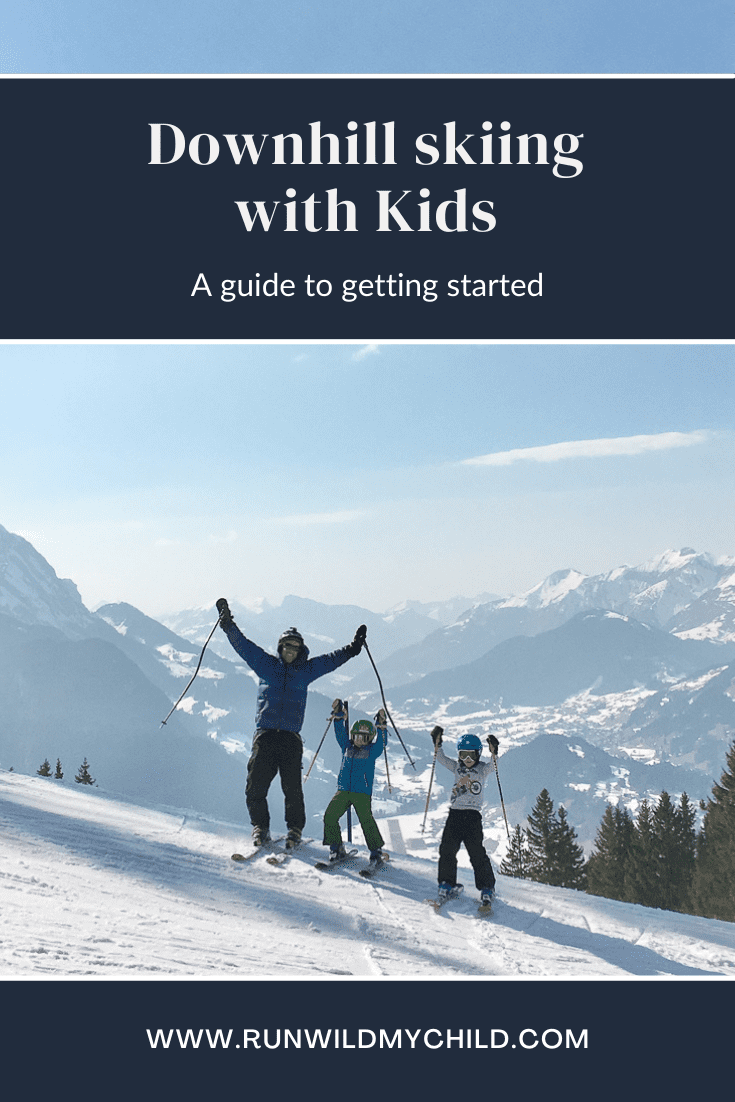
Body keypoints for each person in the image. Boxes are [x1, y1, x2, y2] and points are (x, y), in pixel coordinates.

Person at [216, 598, 366, 847]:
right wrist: (227, 624)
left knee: (292, 790)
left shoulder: (305, 671)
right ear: (281, 647)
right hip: (265, 736)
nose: (291, 651)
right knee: (255, 787)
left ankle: (294, 830)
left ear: (300, 651)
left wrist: (353, 648)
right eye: (287, 646)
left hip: (289, 739)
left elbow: (330, 660)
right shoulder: (266, 665)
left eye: (295, 648)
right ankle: (260, 828)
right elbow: (243, 646)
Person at [431, 726, 499, 904]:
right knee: (447, 849)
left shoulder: (482, 769)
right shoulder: (456, 767)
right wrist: (437, 743)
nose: (467, 759)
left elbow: (494, 766)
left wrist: (494, 751)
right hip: (454, 815)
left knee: (476, 853)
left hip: (473, 817)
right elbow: (441, 759)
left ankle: (487, 888)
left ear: (478, 754)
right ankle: (446, 883)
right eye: (463, 755)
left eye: (471, 755)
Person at [323, 701, 387, 865]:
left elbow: (382, 743)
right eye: (357, 736)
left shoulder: (372, 751)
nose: (359, 740)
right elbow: (339, 733)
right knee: (330, 816)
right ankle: (336, 847)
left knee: (366, 821)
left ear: (370, 738)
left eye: (364, 737)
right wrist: (338, 717)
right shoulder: (346, 746)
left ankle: (375, 851)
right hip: (343, 790)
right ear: (352, 736)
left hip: (361, 792)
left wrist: (381, 725)